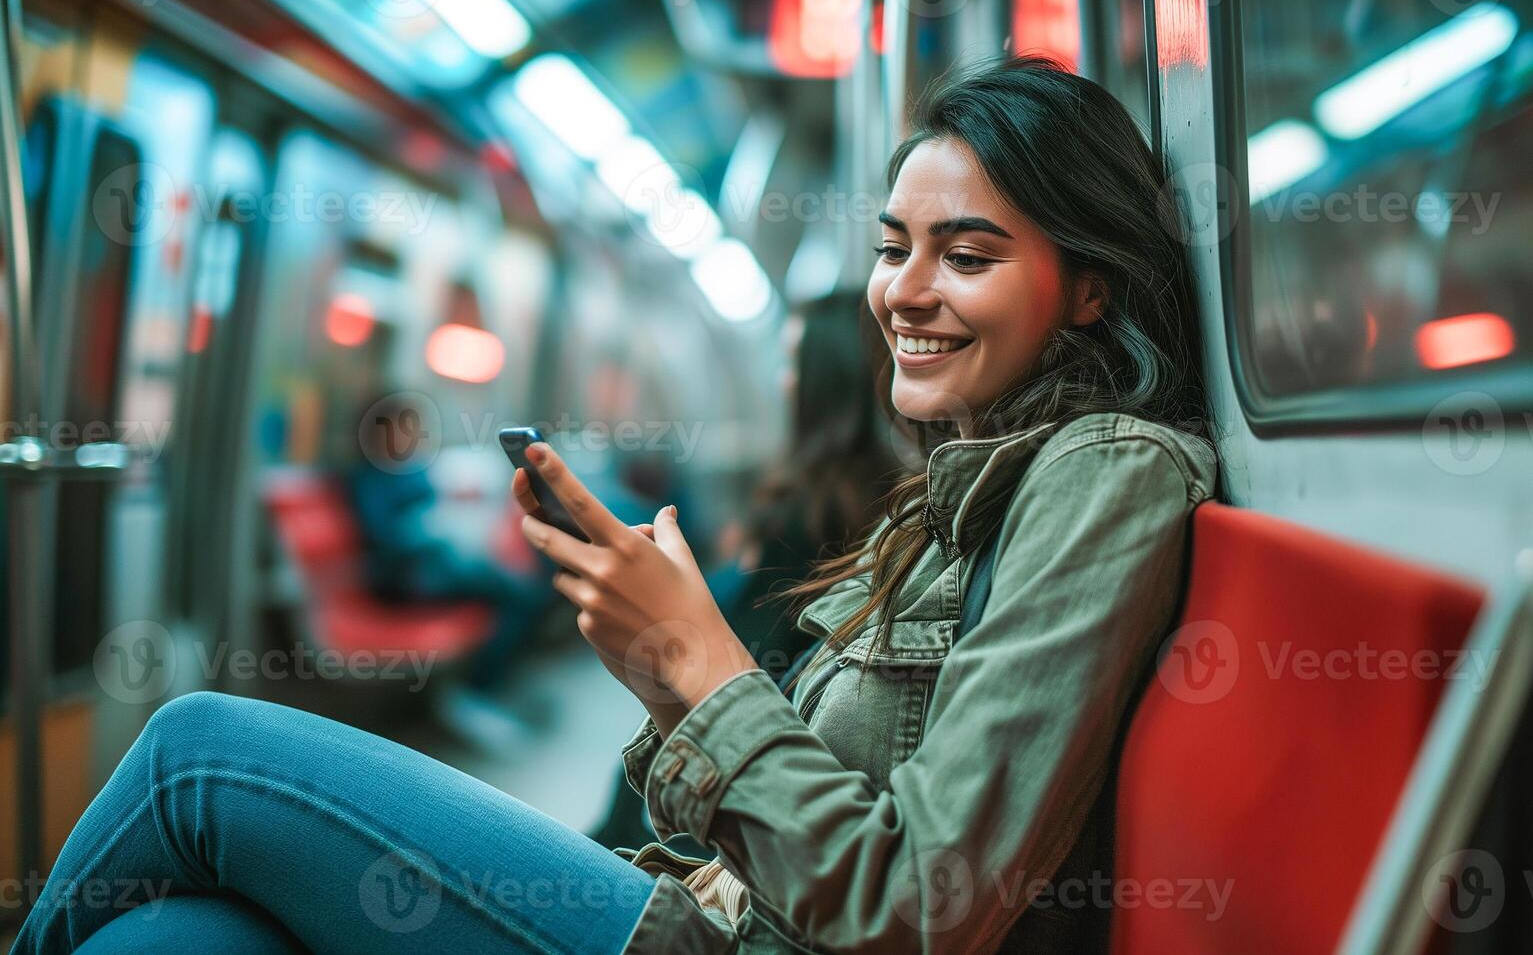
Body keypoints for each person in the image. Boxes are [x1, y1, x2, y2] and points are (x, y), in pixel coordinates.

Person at [14, 56, 1214, 954]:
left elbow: (918, 901)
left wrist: (703, 660)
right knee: (166, 938)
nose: (902, 291)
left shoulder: (1106, 469)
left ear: (1090, 287)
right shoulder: (961, 483)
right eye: (893, 245)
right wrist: (664, 672)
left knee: (189, 753)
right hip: (714, 902)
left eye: (967, 254)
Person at [588, 291, 902, 853]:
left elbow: (745, 655)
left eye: (791, 363)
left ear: (823, 382)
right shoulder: (882, 497)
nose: (783, 381)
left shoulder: (808, 510)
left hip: (702, 806)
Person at [347, 392, 554, 745]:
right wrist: (429, 530)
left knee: (518, 588)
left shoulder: (410, 470)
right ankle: (478, 692)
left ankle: (486, 689)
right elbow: (387, 541)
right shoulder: (369, 478)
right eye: (401, 428)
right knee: (515, 592)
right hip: (403, 579)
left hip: (433, 566)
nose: (409, 436)